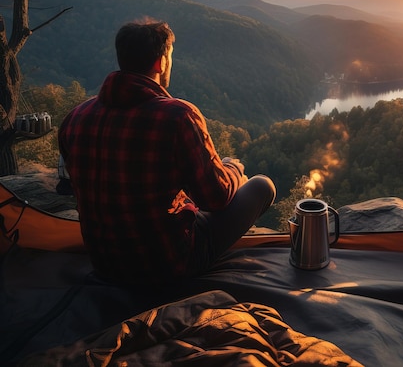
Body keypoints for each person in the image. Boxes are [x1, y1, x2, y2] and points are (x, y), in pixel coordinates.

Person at [58, 19, 275, 285]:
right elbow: (216, 199)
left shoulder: (76, 118)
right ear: (161, 62)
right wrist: (234, 169)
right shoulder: (178, 116)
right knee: (262, 187)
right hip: (168, 265)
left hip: (104, 264)